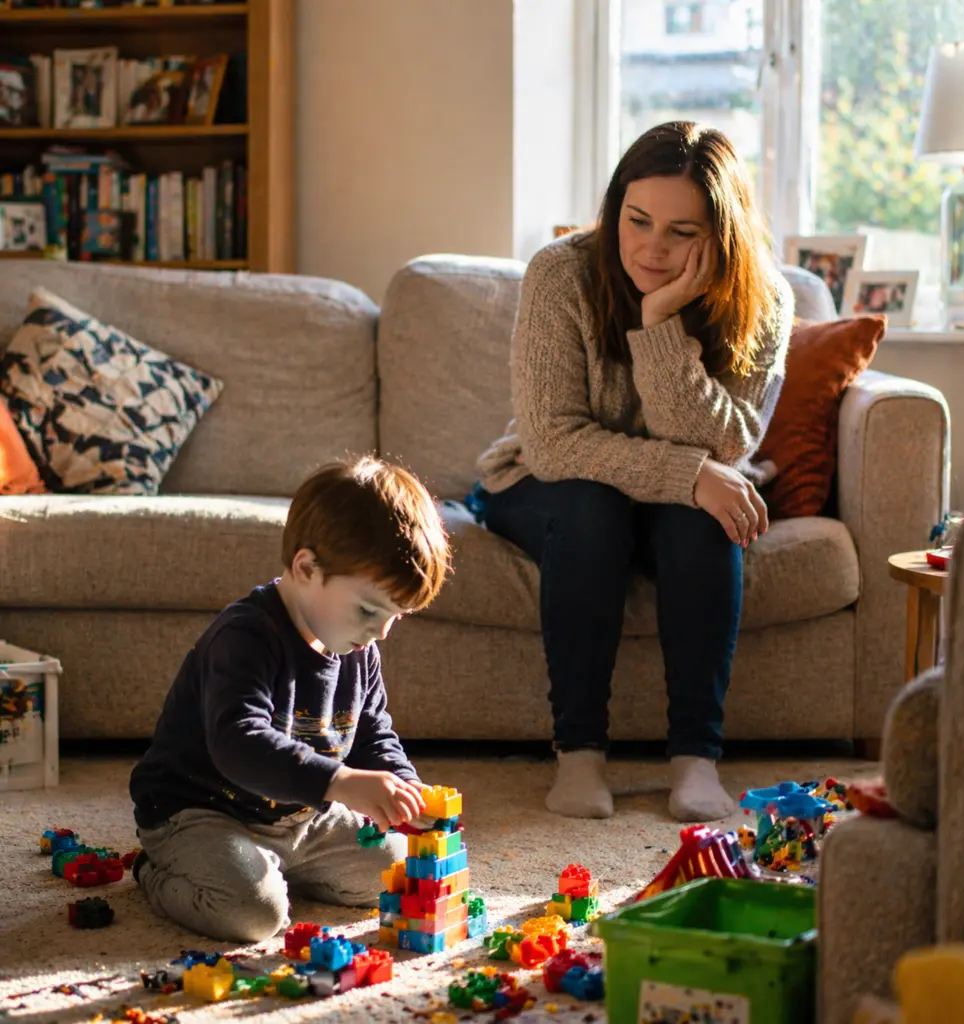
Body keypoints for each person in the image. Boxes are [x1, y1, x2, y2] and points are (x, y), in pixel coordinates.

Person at [475, 121, 793, 822]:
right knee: (596, 508)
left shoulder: (763, 301)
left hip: (666, 500)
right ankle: (581, 754)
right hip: (543, 481)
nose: (652, 246)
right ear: (615, 205)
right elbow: (554, 444)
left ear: (722, 234)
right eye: (637, 219)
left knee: (701, 514)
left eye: (682, 232)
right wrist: (689, 473)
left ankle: (695, 760)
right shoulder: (560, 272)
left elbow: (726, 443)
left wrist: (659, 325)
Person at [129, 456, 451, 942]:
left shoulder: (357, 647)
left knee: (398, 873)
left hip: (300, 818)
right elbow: (239, 742)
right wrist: (341, 781)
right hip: (200, 811)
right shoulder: (245, 636)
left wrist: (406, 787)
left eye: (396, 616)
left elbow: (371, 731)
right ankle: (156, 870)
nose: (381, 631)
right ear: (306, 567)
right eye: (368, 609)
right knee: (255, 916)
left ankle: (270, 865)